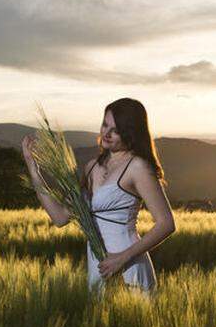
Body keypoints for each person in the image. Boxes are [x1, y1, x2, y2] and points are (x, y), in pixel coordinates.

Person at [22, 98, 176, 294]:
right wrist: (33, 168)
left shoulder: (137, 167)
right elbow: (60, 217)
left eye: (116, 130)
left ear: (131, 133)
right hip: (98, 267)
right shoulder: (92, 167)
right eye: (105, 124)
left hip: (128, 267)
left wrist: (121, 258)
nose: (106, 133)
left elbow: (166, 224)